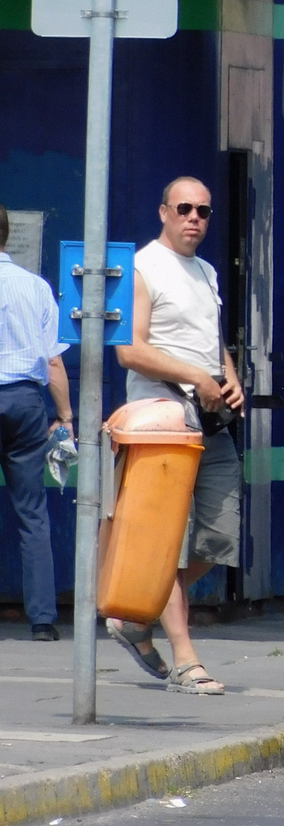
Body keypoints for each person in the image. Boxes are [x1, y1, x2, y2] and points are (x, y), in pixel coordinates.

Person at [108, 177, 244, 694]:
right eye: (184, 208)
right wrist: (196, 377)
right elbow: (130, 349)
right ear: (164, 211)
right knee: (163, 541)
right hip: (163, 418)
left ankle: (136, 613)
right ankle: (186, 660)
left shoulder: (206, 271)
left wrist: (227, 376)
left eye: (204, 211)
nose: (195, 218)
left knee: (219, 536)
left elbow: (209, 341)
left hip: (211, 420)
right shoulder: (143, 266)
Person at [0, 203, 74, 642]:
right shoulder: (36, 287)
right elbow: (54, 362)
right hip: (26, 403)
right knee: (33, 515)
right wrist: (64, 417)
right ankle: (43, 620)